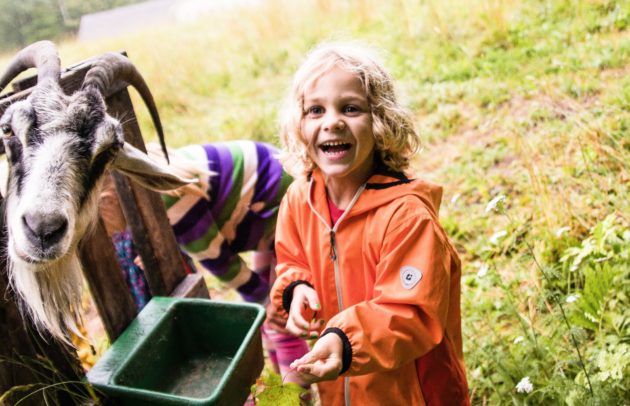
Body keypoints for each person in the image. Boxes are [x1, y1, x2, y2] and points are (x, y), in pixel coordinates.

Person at [269, 42, 470, 405]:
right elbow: (292, 259)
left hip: (412, 392)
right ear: (299, 124)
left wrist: (345, 341)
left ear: (379, 121)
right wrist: (297, 287)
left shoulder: (406, 216)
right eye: (315, 110)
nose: (332, 121)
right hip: (339, 383)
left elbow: (410, 312)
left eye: (350, 108)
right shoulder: (300, 200)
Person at [98, 140, 309, 388]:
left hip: (282, 204)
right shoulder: (149, 191)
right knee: (267, 312)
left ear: (109, 200)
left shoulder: (166, 198)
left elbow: (215, 255)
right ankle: (280, 385)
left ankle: (298, 394)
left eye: (100, 223)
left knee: (279, 315)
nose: (108, 234)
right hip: (265, 208)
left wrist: (262, 297)